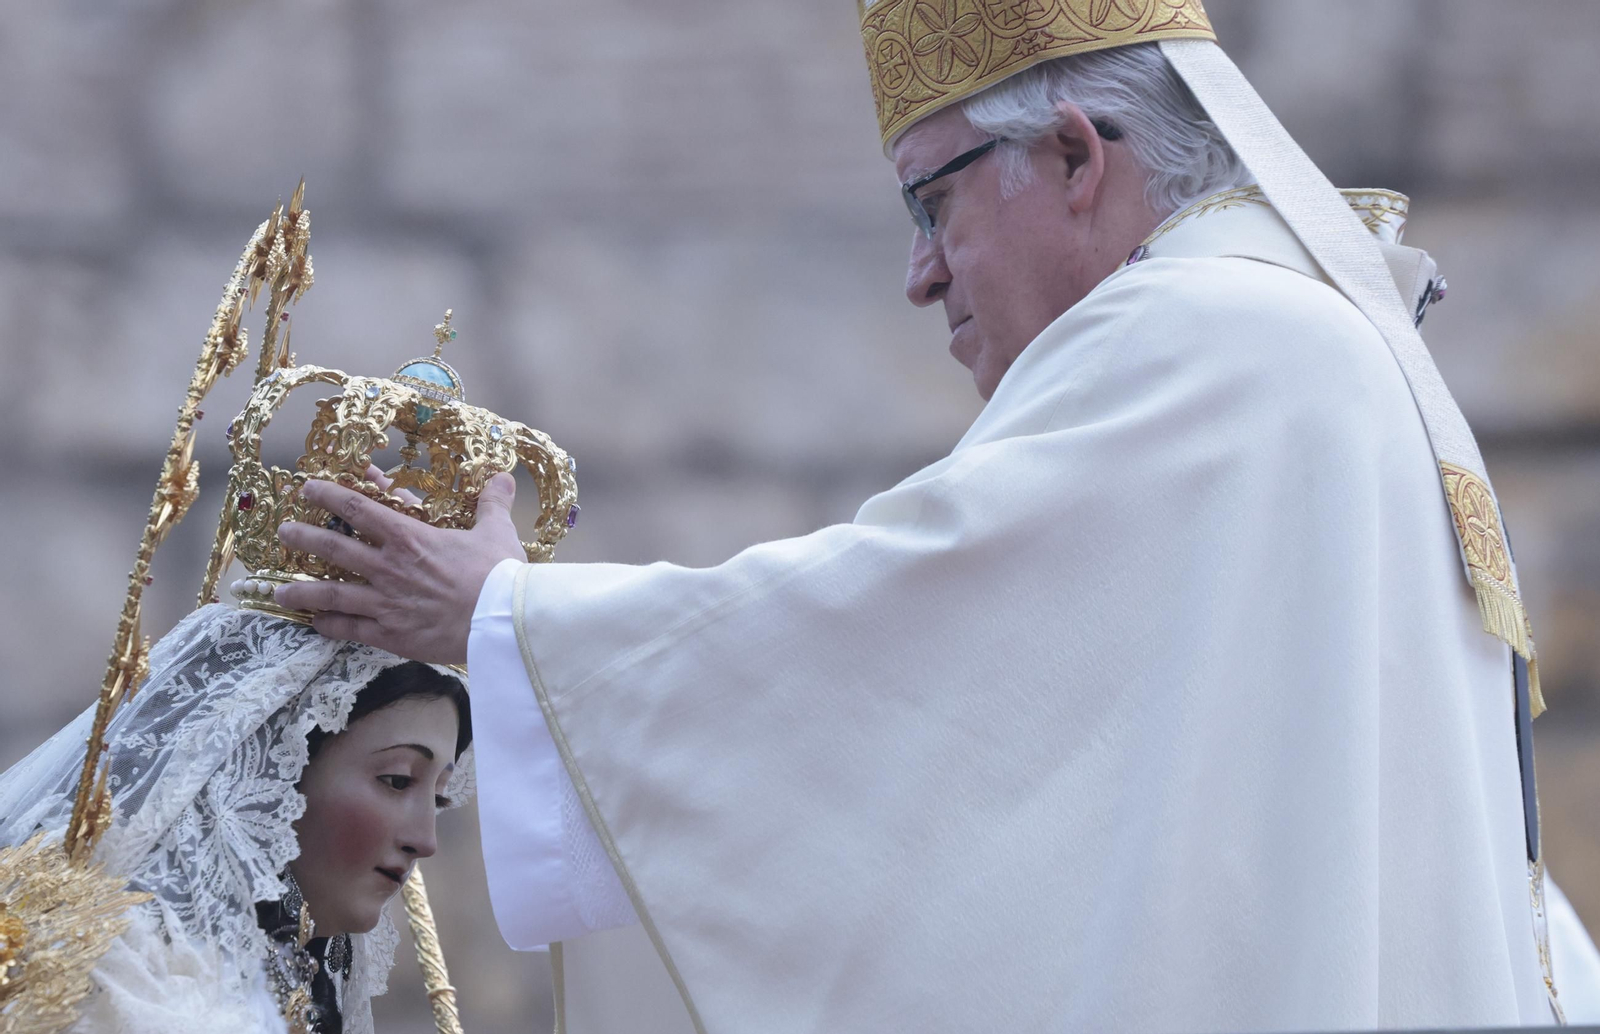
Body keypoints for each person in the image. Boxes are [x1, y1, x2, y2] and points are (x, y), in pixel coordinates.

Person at [275, 3, 1569, 1030]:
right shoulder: (1299, 334)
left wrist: (511, 617)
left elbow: (891, 649)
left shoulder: (1203, 336)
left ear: (1074, 153)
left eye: (931, 199)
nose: (919, 273)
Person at [0, 604, 472, 1034]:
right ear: (269, 768)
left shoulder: (294, 981)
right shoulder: (119, 983)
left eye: (439, 797)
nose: (425, 841)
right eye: (396, 780)